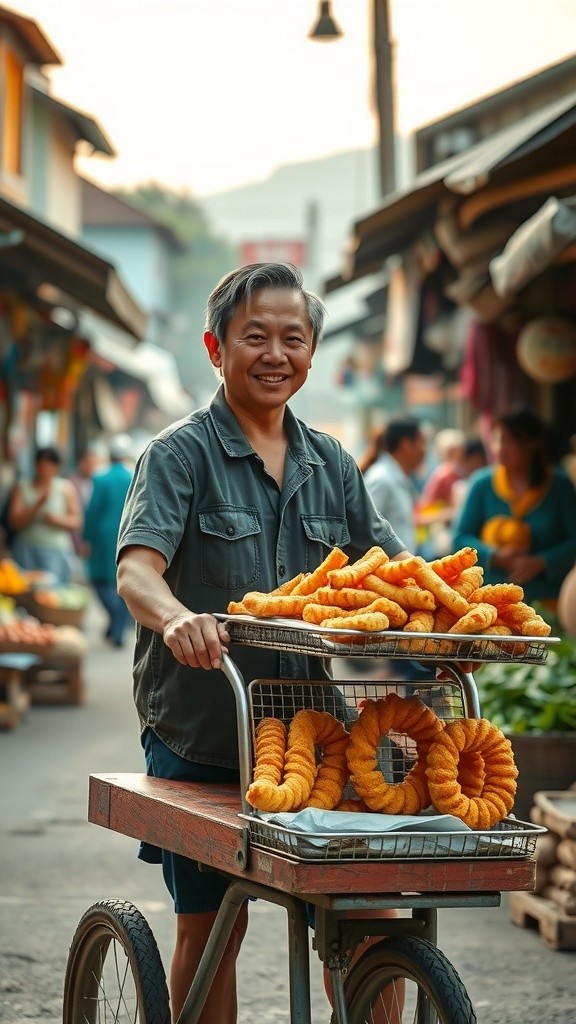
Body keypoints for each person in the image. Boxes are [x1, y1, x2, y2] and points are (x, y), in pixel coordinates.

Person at [115, 263, 412, 1024]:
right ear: (216, 348)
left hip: (315, 732)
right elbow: (137, 570)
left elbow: (397, 576)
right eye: (256, 336)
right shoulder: (179, 454)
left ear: (311, 352)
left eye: (293, 338)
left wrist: (434, 639)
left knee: (369, 918)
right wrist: (176, 618)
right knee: (214, 925)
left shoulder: (332, 464)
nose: (276, 354)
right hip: (204, 733)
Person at [452, 406, 576, 606]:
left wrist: (541, 562)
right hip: (490, 598)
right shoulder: (482, 484)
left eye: (509, 441)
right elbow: (460, 538)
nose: (500, 448)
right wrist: (494, 556)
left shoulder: (559, 486)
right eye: (496, 440)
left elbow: (573, 541)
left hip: (548, 597)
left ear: (533, 443)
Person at [84, 435, 134, 648]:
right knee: (123, 581)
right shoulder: (133, 476)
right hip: (127, 533)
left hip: (102, 536)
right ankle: (118, 627)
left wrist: (85, 537)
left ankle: (116, 622)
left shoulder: (100, 478)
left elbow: (92, 510)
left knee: (101, 580)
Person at [7, 447, 81, 585]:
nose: (45, 471)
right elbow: (14, 522)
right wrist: (38, 504)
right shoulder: (22, 486)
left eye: (49, 467)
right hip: (26, 549)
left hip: (56, 550)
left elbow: (76, 521)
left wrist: (55, 520)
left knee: (53, 590)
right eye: (42, 466)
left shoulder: (65, 487)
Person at [361, 416, 427, 555]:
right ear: (406, 444)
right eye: (422, 442)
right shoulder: (382, 479)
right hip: (388, 567)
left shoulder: (398, 477)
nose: (425, 450)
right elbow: (365, 530)